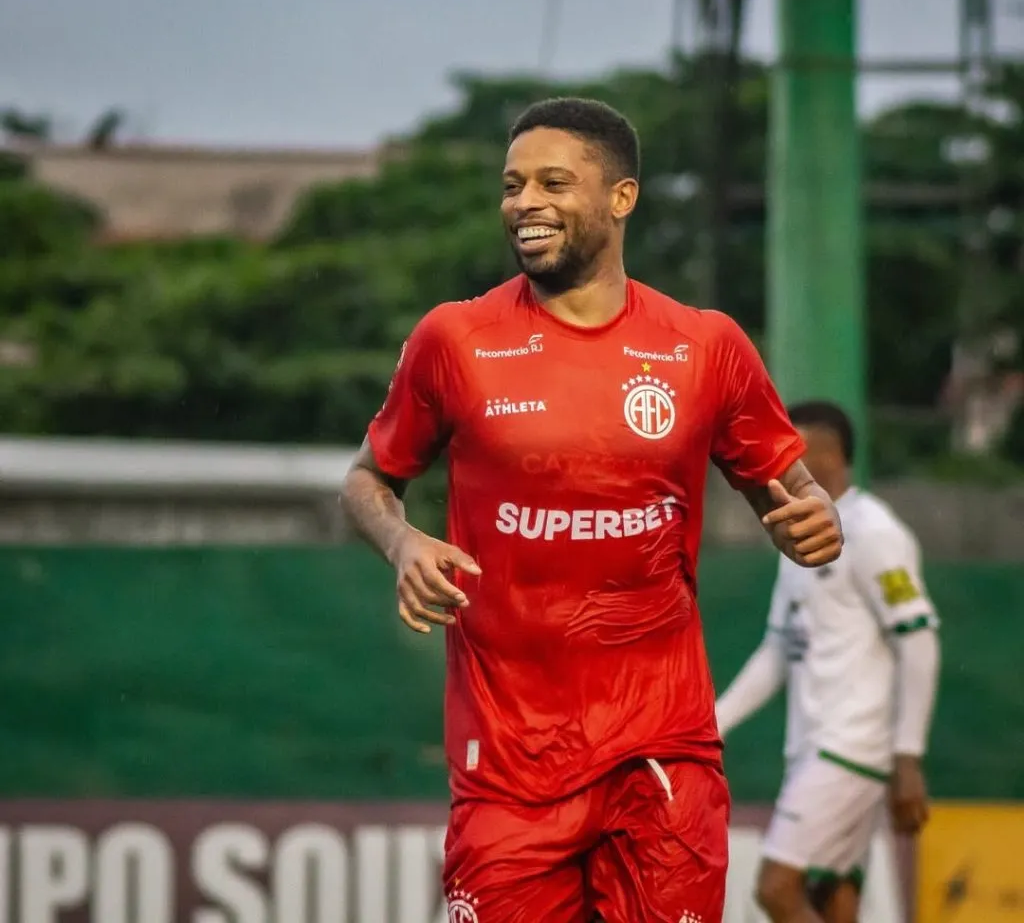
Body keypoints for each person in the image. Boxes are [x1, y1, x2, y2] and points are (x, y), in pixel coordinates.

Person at [339, 97, 843, 923]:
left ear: (621, 198)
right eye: (511, 185)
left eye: (552, 182)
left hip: (661, 753)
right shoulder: (455, 339)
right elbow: (365, 480)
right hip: (507, 764)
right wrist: (400, 543)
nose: (524, 202)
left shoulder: (703, 345)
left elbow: (788, 487)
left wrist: (814, 514)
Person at [715, 401, 941, 923]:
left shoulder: (873, 532)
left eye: (789, 452)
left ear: (829, 455)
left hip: (849, 748)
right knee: (834, 901)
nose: (777, 465)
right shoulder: (800, 536)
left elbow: (918, 639)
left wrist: (908, 756)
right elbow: (778, 650)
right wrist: (714, 723)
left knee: (776, 889)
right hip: (815, 747)